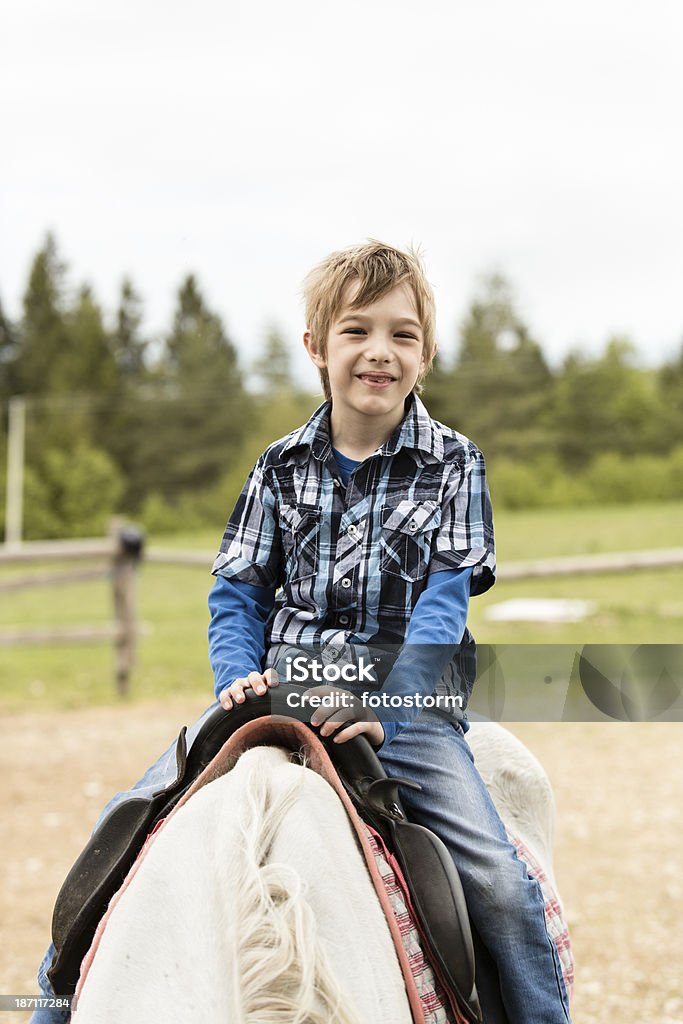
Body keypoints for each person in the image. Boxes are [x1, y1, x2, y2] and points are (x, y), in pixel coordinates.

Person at [32, 240, 570, 1024]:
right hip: (283, 686)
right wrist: (235, 674)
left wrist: (390, 702)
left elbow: (442, 605)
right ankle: (52, 1008)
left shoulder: (455, 464)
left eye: (401, 335)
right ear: (317, 345)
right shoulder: (278, 467)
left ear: (425, 353)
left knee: (496, 880)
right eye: (356, 331)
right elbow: (237, 592)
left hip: (407, 708)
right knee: (121, 829)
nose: (378, 352)